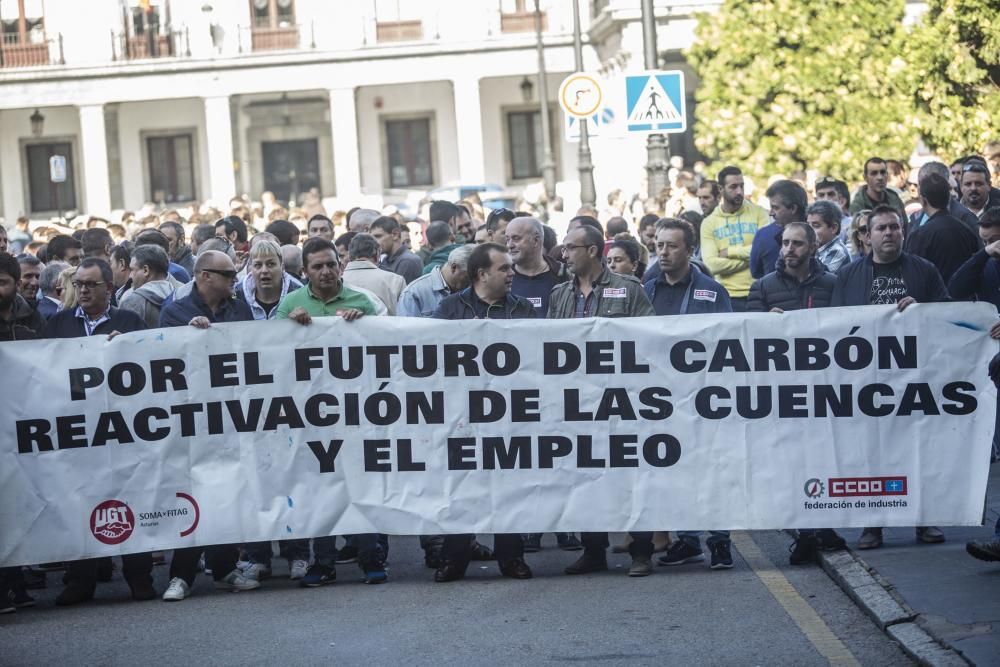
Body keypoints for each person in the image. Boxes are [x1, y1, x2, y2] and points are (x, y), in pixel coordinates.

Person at [831, 205, 949, 550]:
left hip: (915, 377)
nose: (888, 233)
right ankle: (873, 525)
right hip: (868, 381)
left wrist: (923, 310)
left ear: (903, 232)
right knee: (871, 454)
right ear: (866, 236)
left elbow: (947, 313)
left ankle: (925, 520)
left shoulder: (923, 270)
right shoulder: (850, 275)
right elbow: (836, 327)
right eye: (880, 228)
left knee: (918, 449)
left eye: (894, 227)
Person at [39, 258, 154, 605]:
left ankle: (139, 576)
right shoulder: (58, 324)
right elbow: (44, 372)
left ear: (108, 288)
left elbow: (151, 366)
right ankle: (80, 580)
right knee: (81, 502)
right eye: (79, 284)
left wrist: (127, 349)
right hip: (79, 432)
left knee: (132, 499)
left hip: (123, 430)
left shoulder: (128, 321)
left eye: (91, 284)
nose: (84, 290)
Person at [548, 223, 657, 576]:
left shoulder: (628, 290)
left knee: (630, 474)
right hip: (576, 401)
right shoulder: (560, 295)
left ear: (592, 251)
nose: (564, 254)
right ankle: (593, 549)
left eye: (570, 248)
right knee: (583, 475)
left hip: (621, 399)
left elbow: (651, 339)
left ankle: (642, 551)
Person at [276, 238, 386, 586]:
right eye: (317, 266)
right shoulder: (291, 303)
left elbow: (388, 345)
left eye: (331, 264)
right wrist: (289, 327)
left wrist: (364, 325)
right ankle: (323, 564)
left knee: (360, 486)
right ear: (305, 271)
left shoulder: (362, 301)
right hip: (311, 416)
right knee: (321, 489)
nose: (326, 271)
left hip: (356, 413)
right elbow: (271, 352)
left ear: (342, 264)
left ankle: (371, 560)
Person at [155, 251, 260, 602]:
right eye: (228, 274)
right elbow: (164, 362)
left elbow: (252, 349)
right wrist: (190, 337)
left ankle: (224, 567)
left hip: (230, 416)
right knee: (194, 494)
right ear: (204, 276)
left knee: (229, 491)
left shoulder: (238, 308)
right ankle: (181, 575)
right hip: (192, 419)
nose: (235, 279)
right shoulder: (176, 312)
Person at [430, 243, 536, 582]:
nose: (511, 274)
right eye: (504, 268)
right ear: (481, 275)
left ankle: (512, 557)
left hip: (510, 413)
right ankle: (454, 558)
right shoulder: (449, 308)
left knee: (509, 486)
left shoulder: (523, 311)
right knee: (461, 485)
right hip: (462, 415)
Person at [748, 224, 845, 563]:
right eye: (785, 243)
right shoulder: (763, 287)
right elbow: (745, 337)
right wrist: (764, 323)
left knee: (826, 459)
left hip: (824, 388)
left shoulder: (833, 284)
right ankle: (805, 533)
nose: (789, 249)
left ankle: (826, 526)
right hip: (783, 393)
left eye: (797, 244)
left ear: (814, 247)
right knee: (793, 463)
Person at [701, 166, 769, 311]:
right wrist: (751, 258)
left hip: (758, 292)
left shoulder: (759, 213)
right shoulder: (709, 223)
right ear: (720, 189)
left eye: (742, 186)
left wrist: (730, 252)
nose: (739, 191)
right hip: (726, 295)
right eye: (733, 187)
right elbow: (711, 265)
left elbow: (763, 251)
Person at [644, 218, 732, 316]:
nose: (664, 252)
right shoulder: (648, 290)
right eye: (660, 246)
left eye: (672, 246)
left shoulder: (712, 291)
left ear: (689, 251)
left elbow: (726, 330)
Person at [905, 172, 980, 283]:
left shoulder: (920, 235)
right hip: (964, 298)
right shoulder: (967, 230)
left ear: (923, 200)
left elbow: (914, 277)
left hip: (933, 299)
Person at [751, 179, 808, 279]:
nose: (771, 213)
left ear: (793, 208)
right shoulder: (763, 235)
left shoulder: (817, 235)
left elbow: (756, 272)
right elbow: (755, 273)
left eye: (776, 208)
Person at [396, 244, 474, 317]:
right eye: (468, 277)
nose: (472, 283)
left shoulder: (472, 291)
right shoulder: (414, 293)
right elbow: (407, 329)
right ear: (454, 268)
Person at [234, 239, 303, 320]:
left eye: (271, 264)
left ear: (282, 267)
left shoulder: (299, 294)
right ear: (251, 268)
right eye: (258, 265)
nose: (264, 270)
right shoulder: (237, 294)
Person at [342, 233, 406, 315]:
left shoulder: (337, 281)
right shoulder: (395, 281)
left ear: (349, 256)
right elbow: (405, 316)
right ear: (377, 254)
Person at [119, 245, 175, 328]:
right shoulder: (180, 295)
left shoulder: (132, 302)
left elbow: (125, 338)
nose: (130, 276)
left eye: (132, 270)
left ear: (146, 270)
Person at [0, 253, 45, 341]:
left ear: (17, 285)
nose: (34, 282)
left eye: (1, 283)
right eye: (28, 276)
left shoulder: (33, 318)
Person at [371, 216, 423, 284]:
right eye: (372, 237)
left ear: (395, 234)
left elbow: (397, 292)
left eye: (378, 236)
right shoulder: (386, 260)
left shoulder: (408, 261)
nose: (374, 242)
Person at [807, 200, 851, 273]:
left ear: (833, 228)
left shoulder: (837, 251)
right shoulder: (817, 248)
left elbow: (818, 278)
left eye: (816, 226)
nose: (808, 230)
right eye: (808, 225)